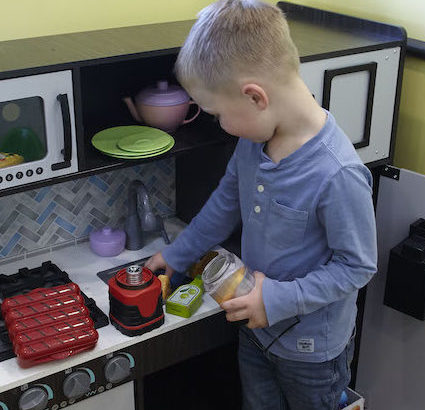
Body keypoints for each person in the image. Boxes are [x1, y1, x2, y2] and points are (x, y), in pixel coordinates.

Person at [143, 1, 378, 408]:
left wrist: (275, 300)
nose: (220, 125)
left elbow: (356, 267)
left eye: (218, 114)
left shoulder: (337, 174)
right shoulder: (253, 144)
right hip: (255, 331)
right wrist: (177, 254)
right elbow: (224, 204)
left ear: (255, 97)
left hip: (312, 353)